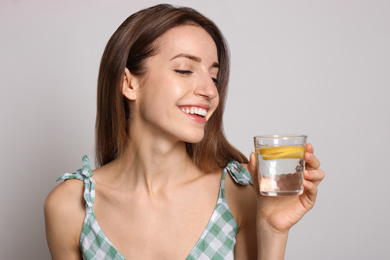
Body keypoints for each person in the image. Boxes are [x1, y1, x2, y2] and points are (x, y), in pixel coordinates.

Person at [44, 4, 324, 260]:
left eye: (213, 76)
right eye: (184, 70)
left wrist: (273, 230)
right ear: (129, 84)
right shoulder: (71, 207)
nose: (211, 91)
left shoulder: (239, 196)